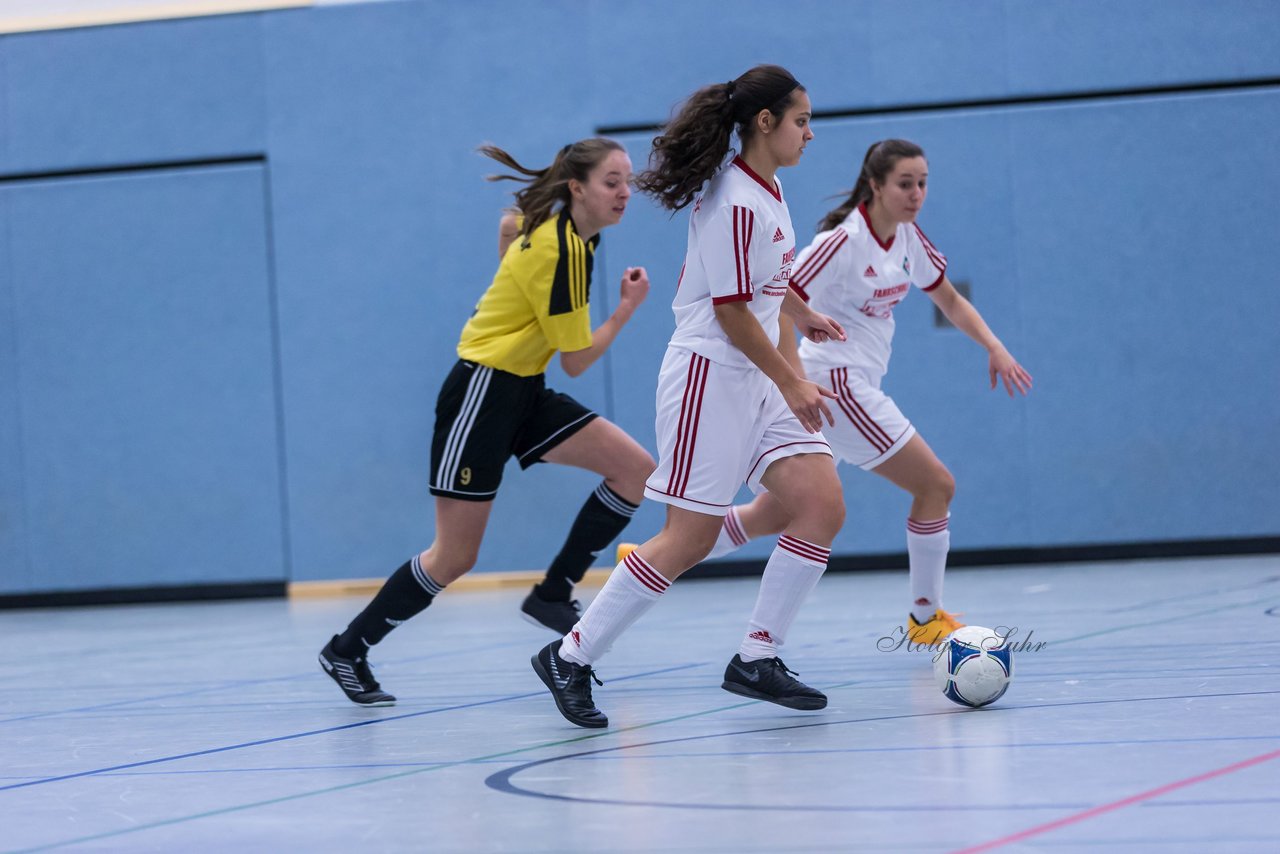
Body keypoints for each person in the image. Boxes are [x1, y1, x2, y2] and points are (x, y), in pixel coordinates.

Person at [531, 64, 848, 729]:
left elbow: (763, 282)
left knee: (820, 503)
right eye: (802, 120)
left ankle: (757, 657)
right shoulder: (734, 196)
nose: (810, 133)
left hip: (758, 376)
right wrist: (793, 378)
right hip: (711, 374)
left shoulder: (769, 188)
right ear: (766, 123)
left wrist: (802, 314)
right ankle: (572, 655)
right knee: (690, 536)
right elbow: (731, 310)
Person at [636, 138, 1033, 645]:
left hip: (854, 382)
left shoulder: (908, 238)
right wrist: (794, 378)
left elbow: (949, 298)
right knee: (935, 486)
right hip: (836, 385)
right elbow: (778, 296)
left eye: (923, 183)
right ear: (876, 186)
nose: (915, 194)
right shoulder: (841, 242)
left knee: (776, 512)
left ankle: (650, 555)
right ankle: (924, 618)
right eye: (905, 184)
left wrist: (994, 347)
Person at [319, 139, 655, 706]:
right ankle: (348, 648)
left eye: (628, 180)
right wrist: (626, 309)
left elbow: (509, 225)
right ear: (577, 188)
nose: (625, 193)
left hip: (523, 388)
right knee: (454, 556)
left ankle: (553, 592)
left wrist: (510, 263)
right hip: (481, 392)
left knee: (634, 470)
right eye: (611, 182)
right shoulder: (560, 252)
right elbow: (575, 362)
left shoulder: (572, 234)